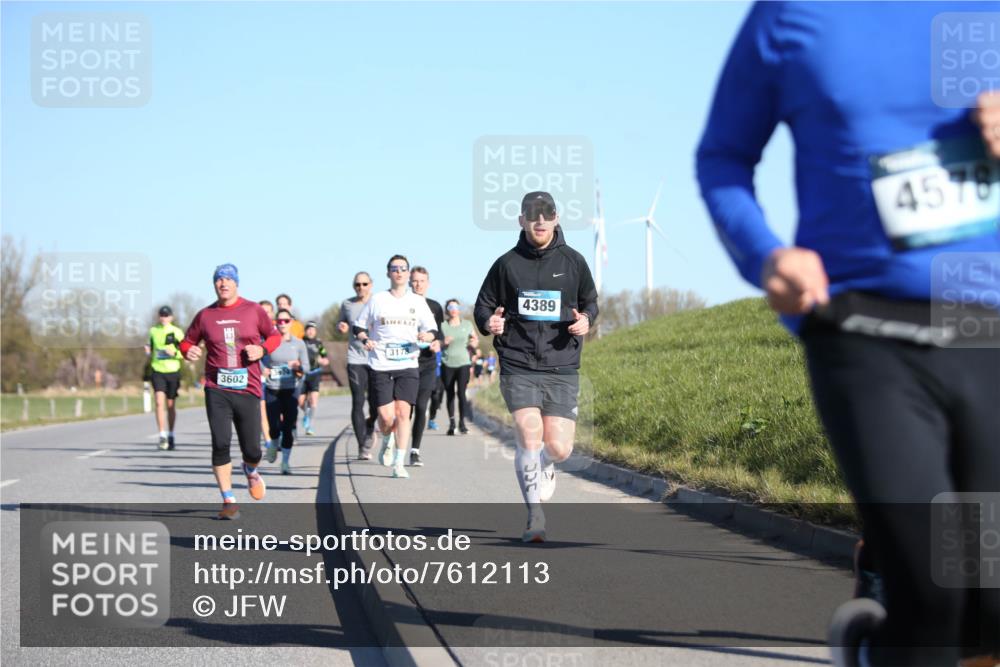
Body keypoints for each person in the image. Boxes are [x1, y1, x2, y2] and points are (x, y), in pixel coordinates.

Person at [697, 5, 1000, 665]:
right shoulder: (791, 16)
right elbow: (721, 157)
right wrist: (766, 255)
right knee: (931, 588)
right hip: (861, 324)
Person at [474, 191, 598, 543]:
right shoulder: (506, 264)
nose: (539, 220)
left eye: (546, 214)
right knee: (529, 436)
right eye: (532, 214)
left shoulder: (574, 262)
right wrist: (490, 325)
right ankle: (535, 517)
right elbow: (483, 308)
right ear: (522, 220)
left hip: (562, 364)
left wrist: (587, 320)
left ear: (556, 218)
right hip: (518, 362)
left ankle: (546, 463)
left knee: (559, 448)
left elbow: (591, 302)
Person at [180, 264, 280, 520]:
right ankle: (228, 500)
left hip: (248, 388)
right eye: (218, 280)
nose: (223, 283)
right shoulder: (205, 315)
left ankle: (250, 469)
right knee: (221, 443)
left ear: (237, 283)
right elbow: (187, 340)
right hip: (217, 389)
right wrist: (186, 350)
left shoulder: (253, 310)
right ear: (214, 285)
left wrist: (262, 350)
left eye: (228, 279)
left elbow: (274, 336)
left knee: (253, 450)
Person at [353, 255, 438, 479]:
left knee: (403, 413)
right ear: (388, 273)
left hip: (408, 363)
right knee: (387, 417)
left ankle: (399, 463)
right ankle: (387, 439)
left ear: (408, 273)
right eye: (394, 268)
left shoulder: (417, 302)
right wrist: (365, 340)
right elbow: (359, 326)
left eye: (403, 268)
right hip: (380, 364)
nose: (399, 272)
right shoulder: (377, 300)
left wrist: (426, 335)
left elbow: (433, 329)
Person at [262, 309, 310, 474]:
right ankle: (274, 443)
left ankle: (285, 463)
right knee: (274, 426)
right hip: (272, 389)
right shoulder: (269, 342)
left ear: (291, 322)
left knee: (288, 427)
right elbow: (260, 359)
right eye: (279, 321)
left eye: (286, 321)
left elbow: (307, 367)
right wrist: (263, 369)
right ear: (275, 323)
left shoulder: (298, 343)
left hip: (290, 389)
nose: (282, 324)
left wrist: (298, 367)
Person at [338, 272, 379, 458]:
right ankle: (362, 445)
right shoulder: (347, 304)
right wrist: (342, 326)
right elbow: (342, 323)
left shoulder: (379, 302)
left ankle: (370, 426)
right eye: (357, 284)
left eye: (364, 284)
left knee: (376, 403)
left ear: (371, 285)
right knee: (358, 401)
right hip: (355, 358)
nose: (360, 287)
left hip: (377, 359)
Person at [407, 266, 444, 467]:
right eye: (415, 280)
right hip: (407, 362)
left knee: (422, 406)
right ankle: (397, 444)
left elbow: (438, 333)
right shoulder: (403, 305)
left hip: (428, 362)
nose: (418, 284)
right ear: (409, 282)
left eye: (422, 281)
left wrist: (438, 342)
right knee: (406, 409)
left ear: (428, 283)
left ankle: (415, 451)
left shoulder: (435, 307)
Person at [145, 305, 186, 450]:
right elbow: (149, 347)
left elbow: (185, 352)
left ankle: (171, 434)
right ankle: (162, 435)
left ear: (171, 317)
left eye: (167, 315)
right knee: (158, 401)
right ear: (159, 316)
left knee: (170, 405)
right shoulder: (153, 331)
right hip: (158, 370)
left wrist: (174, 354)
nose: (164, 317)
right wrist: (148, 351)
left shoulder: (177, 332)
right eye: (162, 315)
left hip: (173, 371)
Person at [440, 298, 477, 436]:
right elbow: (437, 342)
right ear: (447, 310)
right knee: (449, 394)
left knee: (461, 393)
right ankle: (452, 424)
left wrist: (474, 343)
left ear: (459, 309)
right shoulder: (443, 326)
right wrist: (443, 342)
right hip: (447, 362)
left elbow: (475, 338)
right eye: (450, 307)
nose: (453, 309)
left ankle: (462, 423)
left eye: (456, 307)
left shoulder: (467, 324)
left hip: (463, 362)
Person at [299, 321, 329, 436]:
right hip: (302, 374)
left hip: (315, 373)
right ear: (305, 331)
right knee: (301, 401)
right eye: (309, 329)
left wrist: (324, 361)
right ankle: (306, 413)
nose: (311, 331)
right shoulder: (300, 342)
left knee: (313, 400)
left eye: (313, 329)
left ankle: (309, 426)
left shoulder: (318, 343)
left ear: (315, 331)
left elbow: (325, 357)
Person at [258, 300, 275, 454]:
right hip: (261, 377)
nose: (265, 314)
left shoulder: (277, 331)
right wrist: (262, 369)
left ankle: (277, 435)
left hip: (279, 380)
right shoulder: (254, 331)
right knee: (262, 410)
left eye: (268, 311)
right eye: (262, 311)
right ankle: (268, 441)